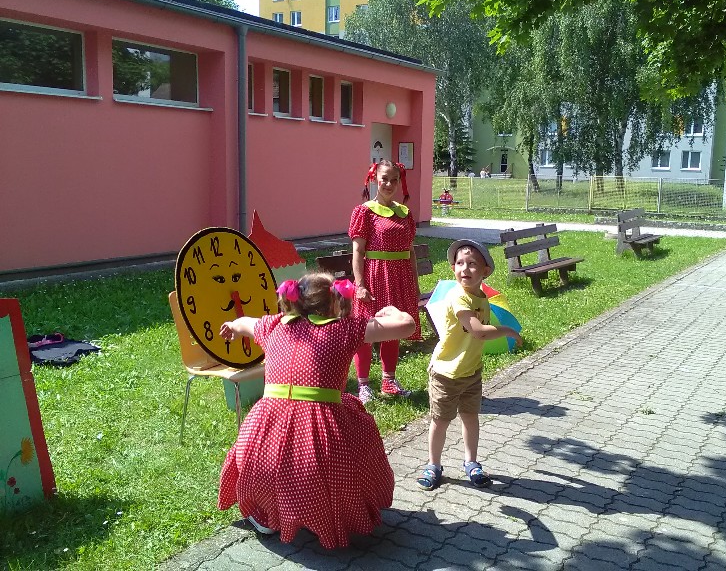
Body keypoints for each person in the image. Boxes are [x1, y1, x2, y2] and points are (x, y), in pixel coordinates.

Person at [217, 273, 415, 549]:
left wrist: (231, 326)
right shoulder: (345, 329)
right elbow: (407, 325)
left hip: (263, 436)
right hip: (319, 439)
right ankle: (331, 512)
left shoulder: (273, 325)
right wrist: (392, 311)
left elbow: (244, 322)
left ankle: (267, 512)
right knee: (358, 434)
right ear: (334, 302)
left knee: (271, 459)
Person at [417, 239, 522, 491]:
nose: (465, 268)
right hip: (446, 373)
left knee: (470, 418)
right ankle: (433, 465)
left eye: (472, 264)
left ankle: (471, 463)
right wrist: (508, 331)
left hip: (471, 371)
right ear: (453, 268)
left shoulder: (481, 297)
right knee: (440, 421)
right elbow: (479, 332)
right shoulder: (458, 297)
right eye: (460, 263)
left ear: (485, 271)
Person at [349, 159, 421, 403]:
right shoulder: (365, 212)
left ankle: (389, 381)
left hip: (399, 277)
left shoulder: (404, 213)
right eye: (384, 179)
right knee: (367, 329)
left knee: (393, 327)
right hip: (375, 275)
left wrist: (414, 283)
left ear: (399, 182)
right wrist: (360, 285)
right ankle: (363, 385)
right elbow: (358, 251)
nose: (389, 184)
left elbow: (410, 251)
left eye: (394, 180)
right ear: (374, 180)